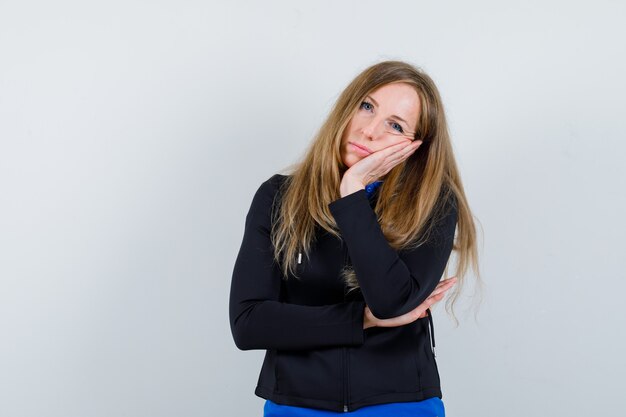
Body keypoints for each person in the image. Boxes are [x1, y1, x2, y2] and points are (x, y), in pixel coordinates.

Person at [229, 60, 479, 416]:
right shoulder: (277, 197)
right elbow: (248, 324)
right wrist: (360, 320)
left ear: (415, 146)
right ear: (346, 107)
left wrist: (351, 198)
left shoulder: (432, 202)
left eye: (395, 125)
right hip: (297, 405)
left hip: (400, 405)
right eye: (367, 106)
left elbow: (391, 302)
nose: (370, 131)